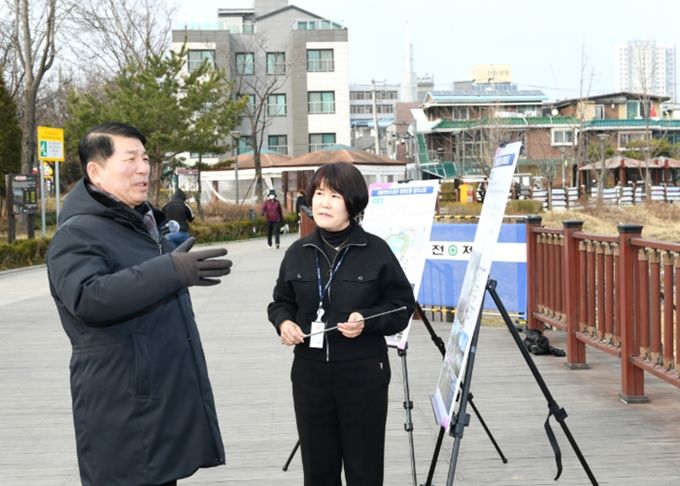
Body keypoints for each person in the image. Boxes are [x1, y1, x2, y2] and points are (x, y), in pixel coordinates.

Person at [46, 122, 232, 486]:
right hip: (122, 410)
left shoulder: (140, 223)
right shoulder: (77, 232)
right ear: (95, 171)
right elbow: (87, 297)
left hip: (159, 407)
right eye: (130, 159)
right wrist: (171, 270)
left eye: (145, 159)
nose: (143, 168)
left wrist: (169, 263)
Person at [267, 161, 416, 486]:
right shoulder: (298, 251)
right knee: (318, 471)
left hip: (363, 374)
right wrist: (284, 322)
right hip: (310, 375)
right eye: (319, 194)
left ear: (352, 202)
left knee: (364, 470)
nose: (323, 203)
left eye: (334, 196)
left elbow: (403, 306)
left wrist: (367, 320)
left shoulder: (376, 251)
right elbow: (280, 302)